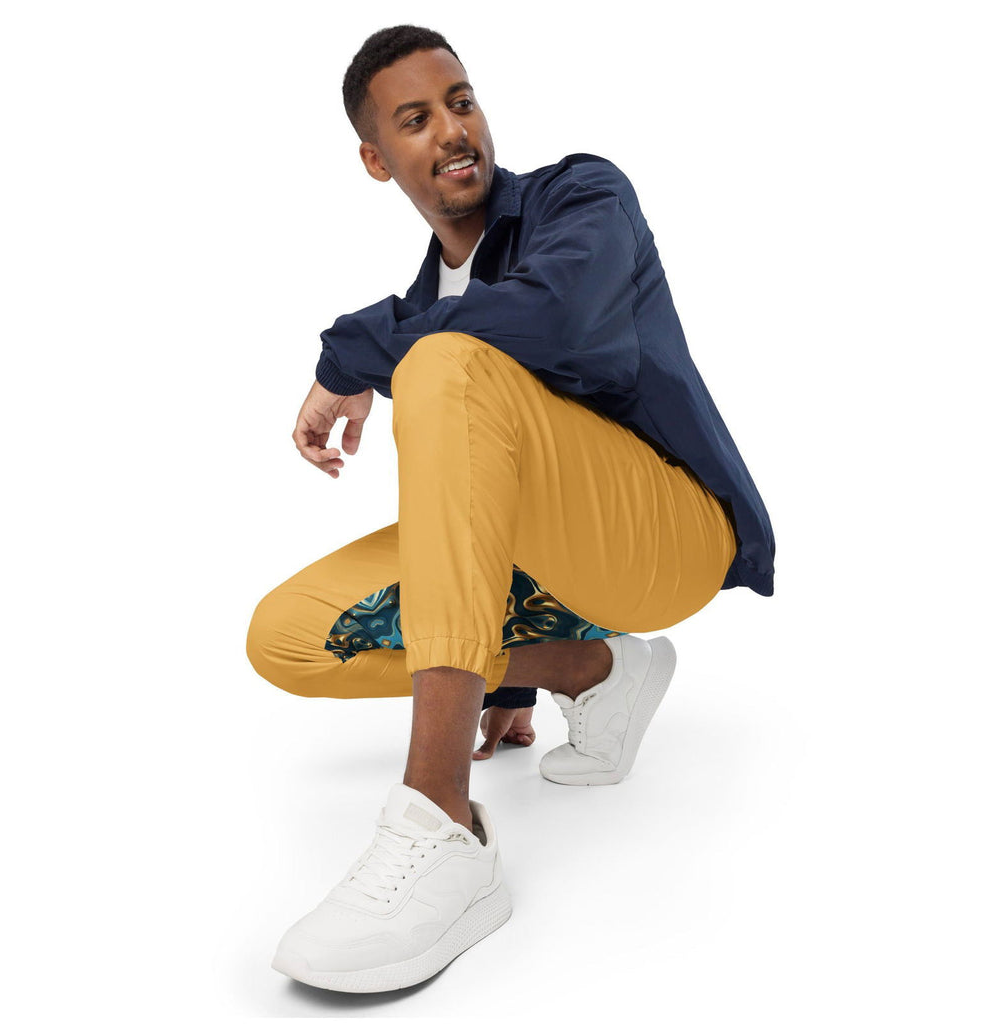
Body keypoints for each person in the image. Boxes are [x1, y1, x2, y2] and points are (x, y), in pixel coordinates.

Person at [245, 24, 775, 994]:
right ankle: (595, 671)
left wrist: (353, 349)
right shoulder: (431, 300)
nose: (453, 130)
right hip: (551, 566)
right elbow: (479, 487)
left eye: (461, 102)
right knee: (289, 637)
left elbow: (555, 320)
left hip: (668, 532)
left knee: (441, 365)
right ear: (376, 159)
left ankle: (440, 825)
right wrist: (511, 676)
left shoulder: (582, 197)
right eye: (415, 119)